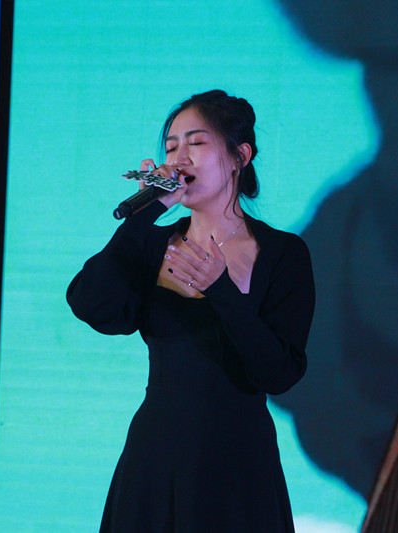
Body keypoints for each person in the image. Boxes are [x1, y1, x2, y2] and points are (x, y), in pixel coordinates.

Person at [66, 89, 315, 532]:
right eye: (171, 147)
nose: (179, 158)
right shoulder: (152, 244)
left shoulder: (282, 253)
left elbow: (279, 372)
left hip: (240, 462)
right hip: (156, 456)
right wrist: (145, 214)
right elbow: (90, 304)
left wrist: (221, 289)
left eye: (196, 143)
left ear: (239, 156)